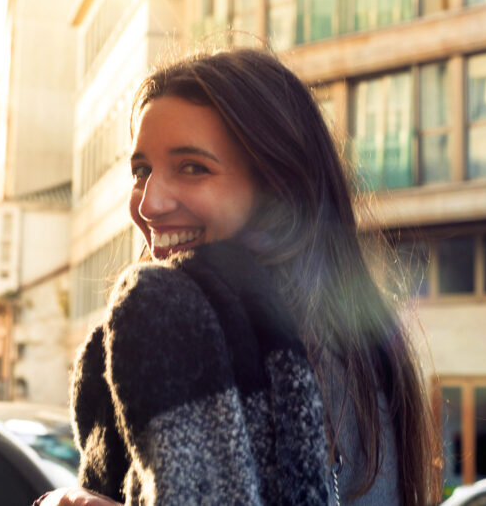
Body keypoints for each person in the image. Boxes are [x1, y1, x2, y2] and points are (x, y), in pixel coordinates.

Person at [38, 48, 441, 506]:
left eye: (192, 168)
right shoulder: (352, 346)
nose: (149, 204)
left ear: (277, 189)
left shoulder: (232, 345)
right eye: (142, 171)